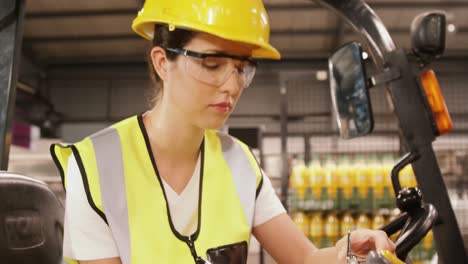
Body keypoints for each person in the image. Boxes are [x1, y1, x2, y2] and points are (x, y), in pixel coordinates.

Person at [50, 0, 396, 263]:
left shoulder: (239, 162)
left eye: (242, 69)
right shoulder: (95, 166)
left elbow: (304, 258)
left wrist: (344, 250)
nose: (232, 86)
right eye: (212, 65)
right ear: (161, 62)